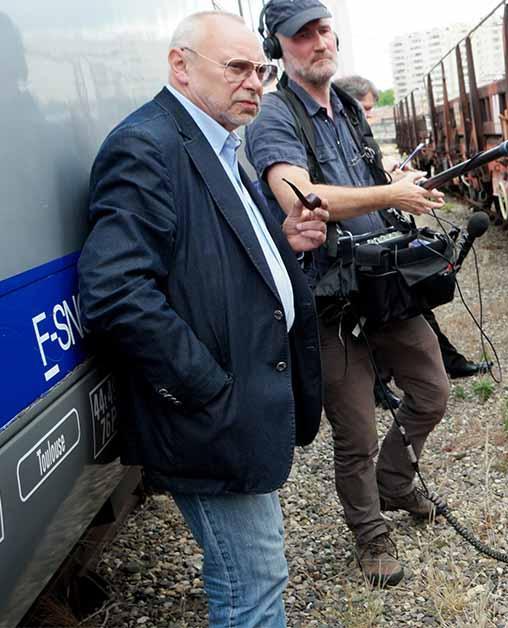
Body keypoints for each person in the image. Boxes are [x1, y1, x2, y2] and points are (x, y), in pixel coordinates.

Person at [78, 12, 329, 627]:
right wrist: (207, 387)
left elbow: (208, 256)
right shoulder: (147, 145)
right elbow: (114, 290)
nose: (254, 83)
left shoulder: (218, 143)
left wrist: (281, 241)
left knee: (253, 577)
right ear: (181, 66)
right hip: (212, 417)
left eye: (261, 71)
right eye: (237, 68)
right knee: (253, 585)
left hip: (234, 408)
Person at [245, 0, 449, 587]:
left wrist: (395, 183)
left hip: (383, 286)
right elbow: (302, 198)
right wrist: (388, 197)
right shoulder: (274, 117)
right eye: (302, 34)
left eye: (324, 30)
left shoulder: (349, 110)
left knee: (432, 391)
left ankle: (396, 481)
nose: (319, 42)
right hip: (327, 299)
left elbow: (369, 180)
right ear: (277, 47)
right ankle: (371, 535)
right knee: (356, 432)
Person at [332, 74, 491, 392]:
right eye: (365, 109)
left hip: (380, 236)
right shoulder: (332, 138)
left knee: (413, 300)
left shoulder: (356, 137)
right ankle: (382, 385)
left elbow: (370, 180)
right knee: (374, 317)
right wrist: (391, 190)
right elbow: (346, 192)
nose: (369, 116)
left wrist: (393, 177)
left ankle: (449, 363)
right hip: (355, 252)